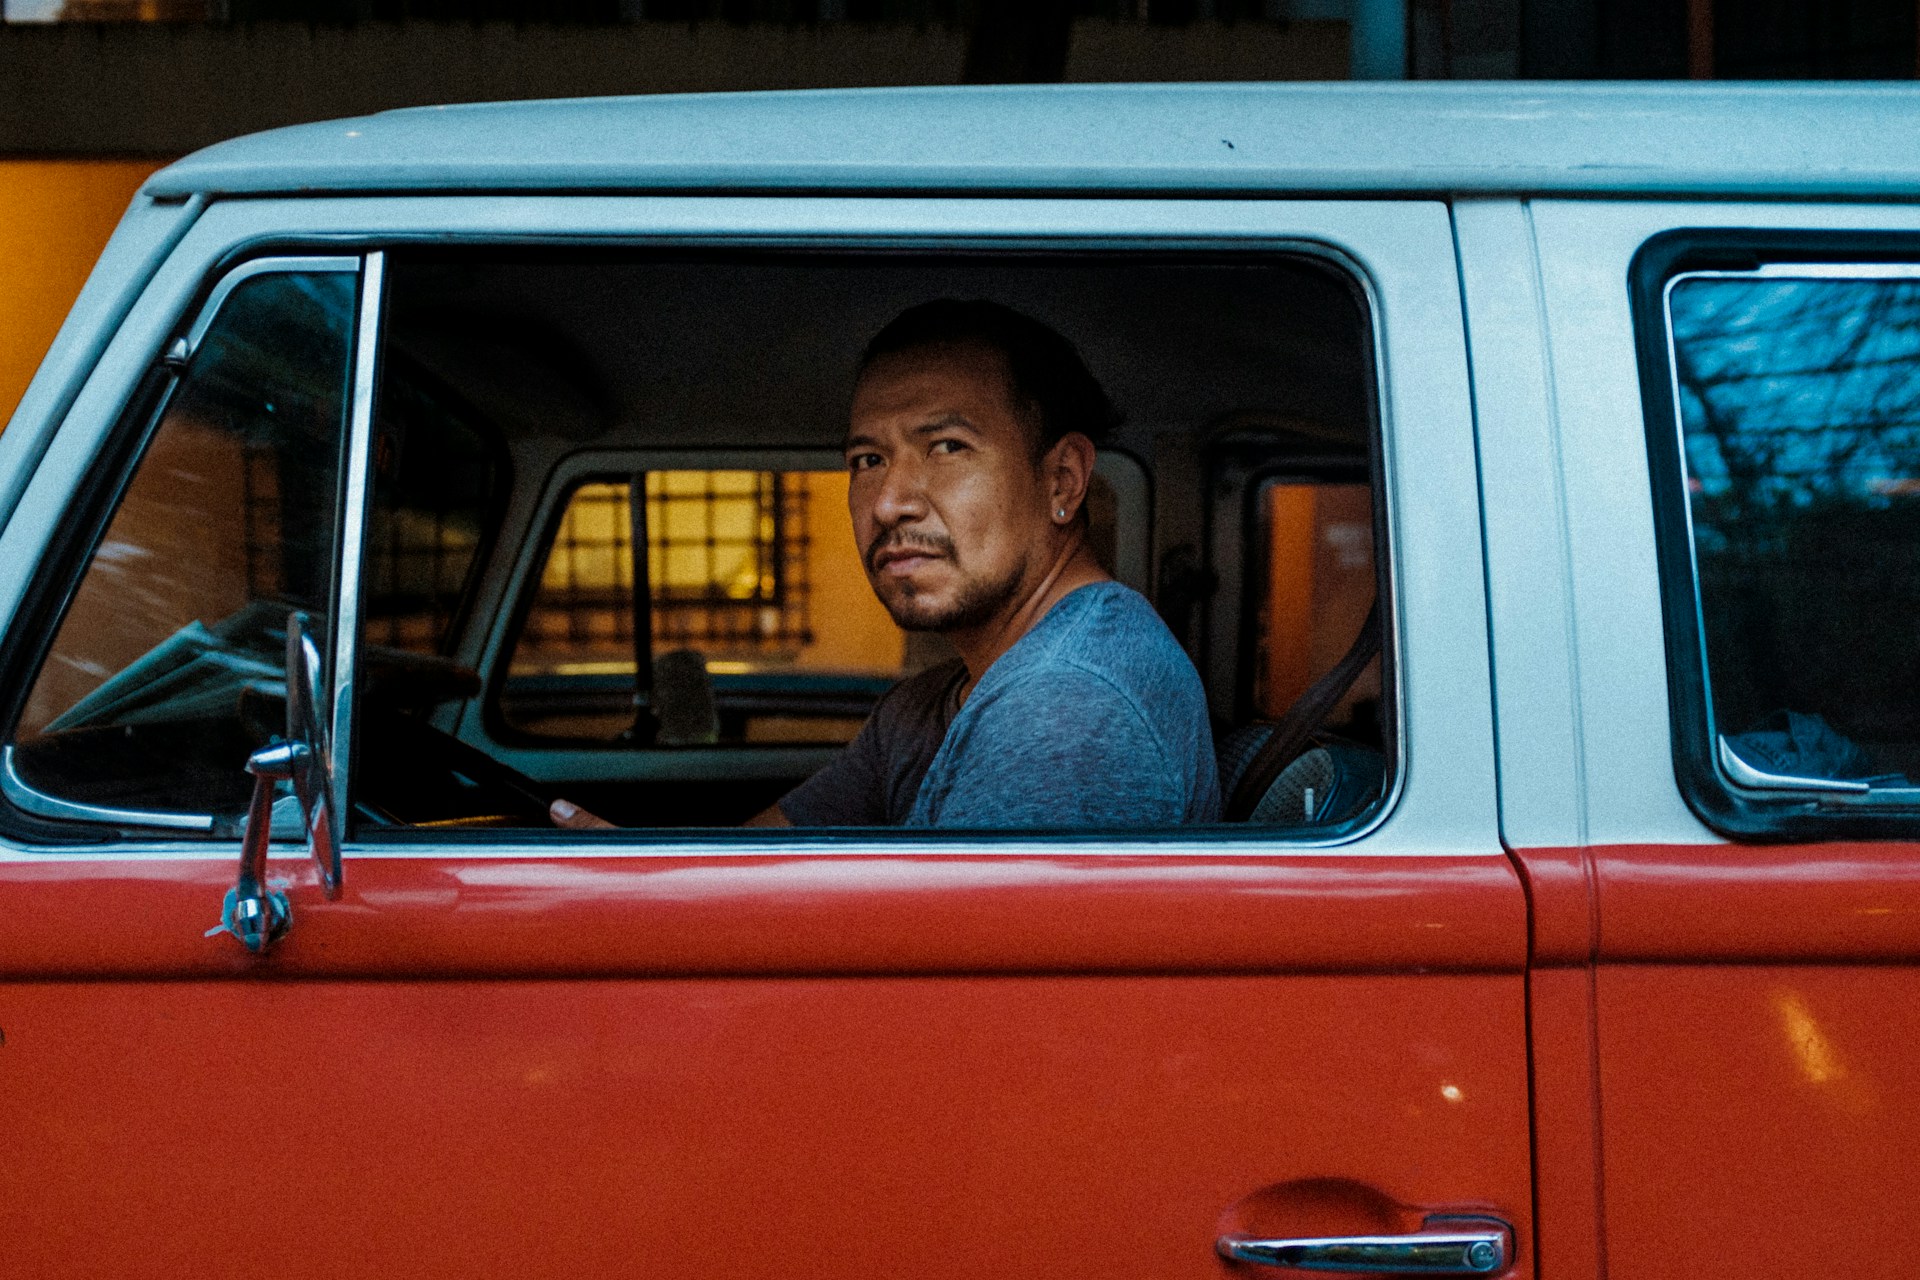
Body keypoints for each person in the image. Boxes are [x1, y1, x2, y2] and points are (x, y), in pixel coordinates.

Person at [552, 299, 1219, 830]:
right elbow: (757, 871)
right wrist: (636, 885)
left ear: (1063, 481)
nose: (891, 501)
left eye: (948, 447)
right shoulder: (933, 703)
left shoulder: (1065, 707)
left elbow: (943, 998)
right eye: (867, 460)